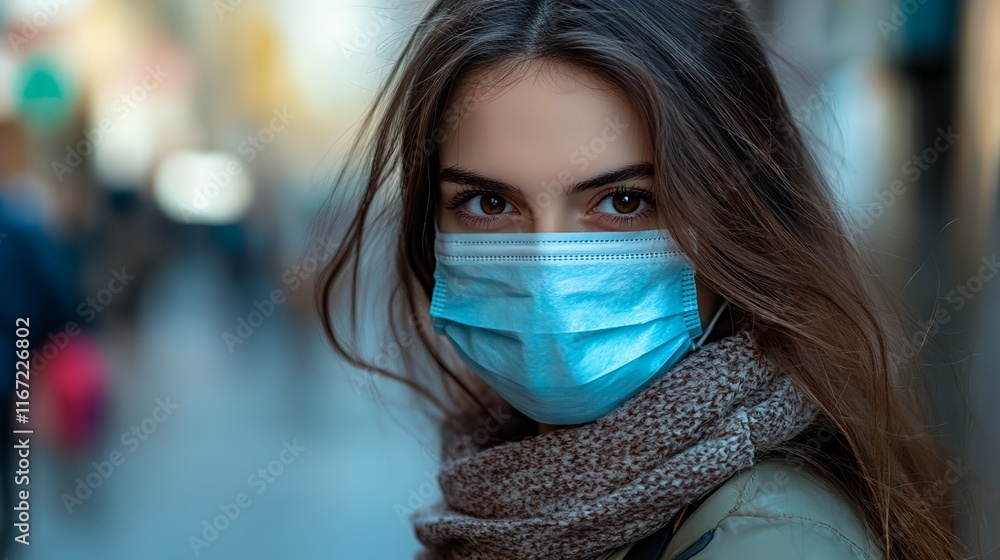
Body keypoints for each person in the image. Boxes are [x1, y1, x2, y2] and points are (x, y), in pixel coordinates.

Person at [312, 1, 970, 558]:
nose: (547, 270)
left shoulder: (770, 537)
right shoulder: (503, 488)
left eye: (623, 201)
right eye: (489, 204)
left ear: (738, 219)